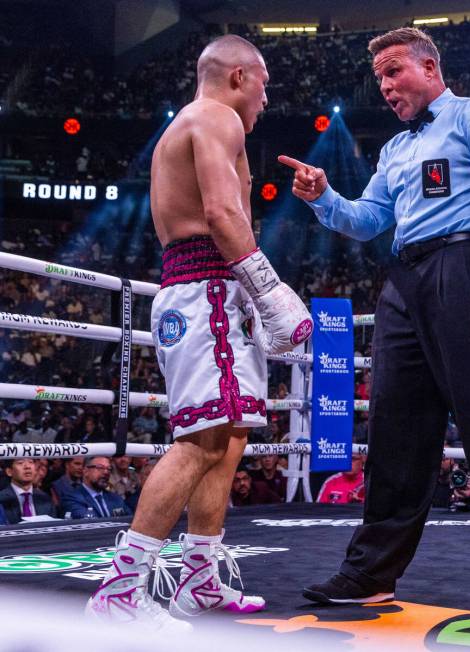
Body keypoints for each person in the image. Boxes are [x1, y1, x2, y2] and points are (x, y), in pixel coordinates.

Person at [280, 27, 470, 608]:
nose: (385, 86)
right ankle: (371, 573)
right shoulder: (395, 150)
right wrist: (321, 196)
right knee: (394, 428)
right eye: (380, 77)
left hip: (464, 265)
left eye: (394, 71)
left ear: (429, 66)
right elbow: (366, 220)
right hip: (404, 280)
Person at [87, 34, 312, 631]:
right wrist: (269, 289)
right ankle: (120, 588)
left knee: (229, 436)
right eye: (264, 83)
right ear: (240, 75)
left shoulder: (195, 123)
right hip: (207, 287)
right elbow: (220, 212)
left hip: (207, 289)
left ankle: (199, 576)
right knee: (201, 440)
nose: (266, 98)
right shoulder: (216, 117)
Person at [61, 456, 132, 519]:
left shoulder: (116, 498)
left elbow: (130, 520)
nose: (106, 472)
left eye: (109, 469)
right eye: (100, 467)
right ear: (85, 471)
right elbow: (91, 525)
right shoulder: (71, 499)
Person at [0, 458, 57, 523]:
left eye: (31, 462)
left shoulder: (45, 498)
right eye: (20, 463)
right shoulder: (2, 499)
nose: (27, 467)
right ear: (9, 472)